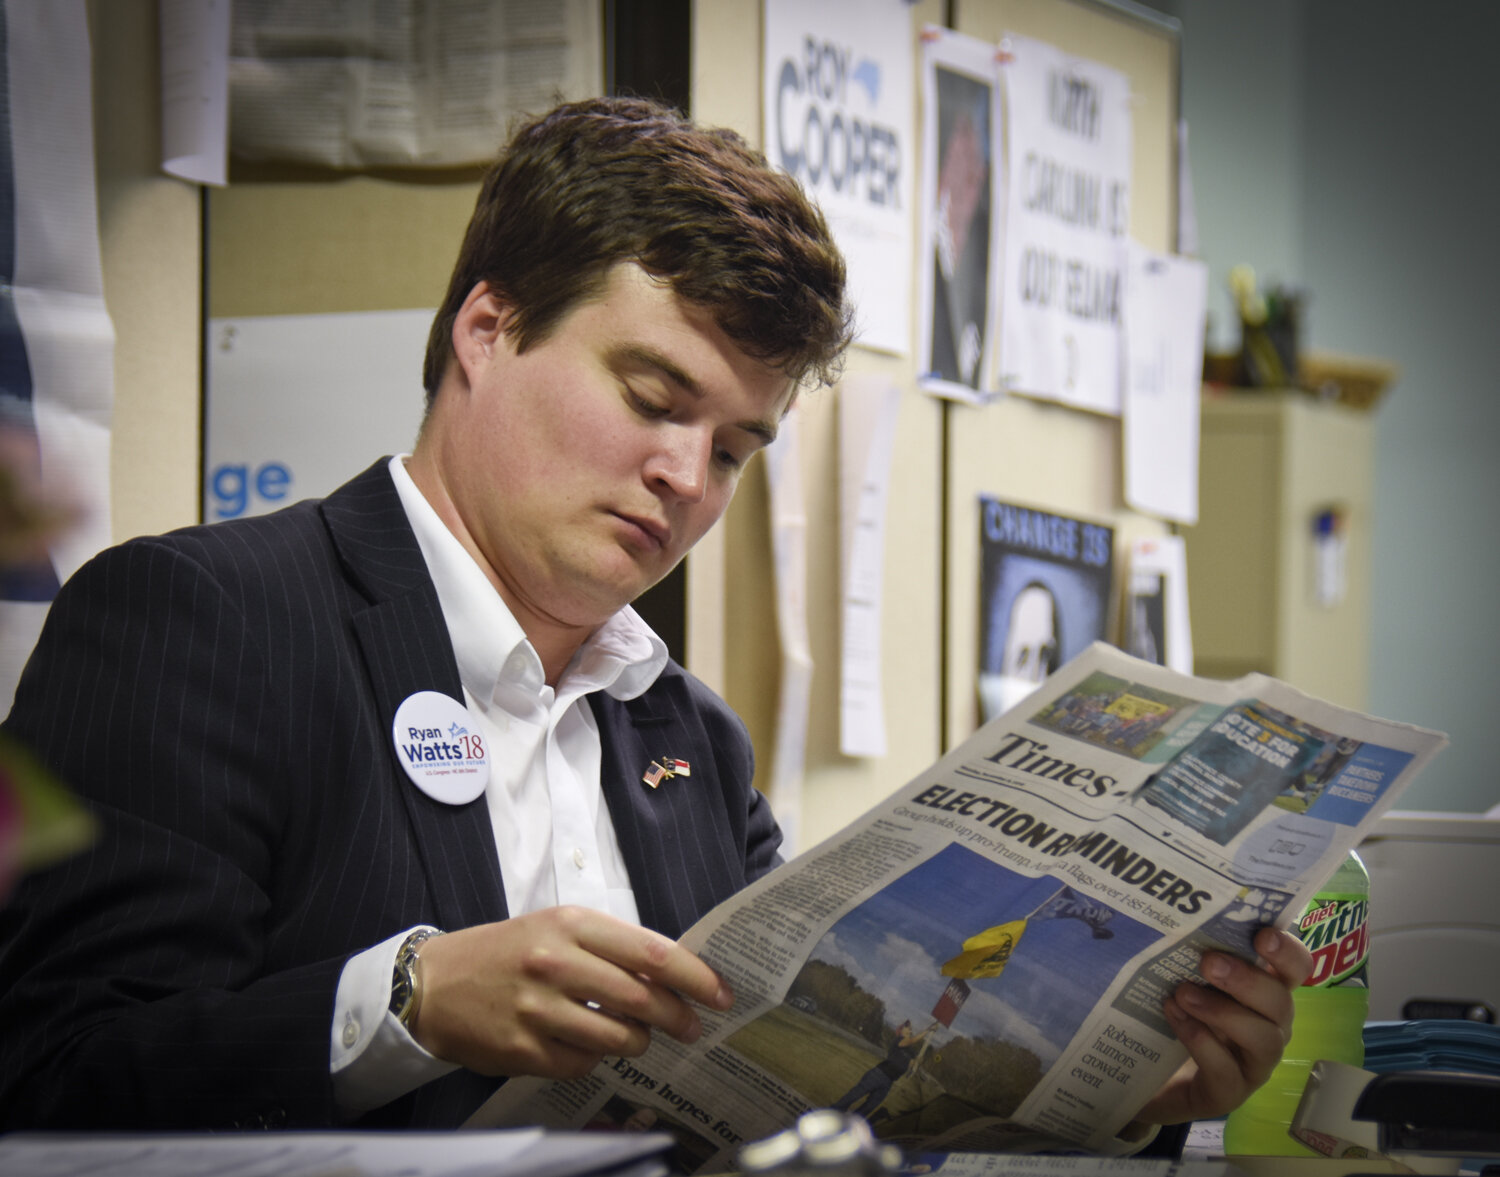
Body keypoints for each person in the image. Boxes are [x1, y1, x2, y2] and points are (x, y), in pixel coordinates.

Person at [0, 96, 1310, 1138]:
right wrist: (407, 1003)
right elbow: (51, 1072)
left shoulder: (691, 740)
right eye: (651, 396)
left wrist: (1134, 1097)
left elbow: (812, 1096)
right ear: (488, 329)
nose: (689, 479)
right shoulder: (202, 619)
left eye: (736, 447)